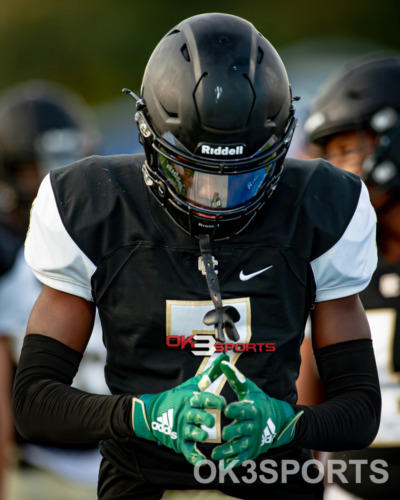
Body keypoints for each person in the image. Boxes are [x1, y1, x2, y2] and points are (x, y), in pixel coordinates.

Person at [12, 13, 381, 500]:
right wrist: (141, 416)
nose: (215, 196)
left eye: (242, 176)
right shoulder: (93, 205)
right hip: (143, 484)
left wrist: (284, 425)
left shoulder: (320, 206)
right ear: (149, 139)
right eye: (192, 173)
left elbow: (360, 411)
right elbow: (34, 403)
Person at [300, 54, 400, 499]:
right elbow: (300, 407)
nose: (337, 168)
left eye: (347, 148)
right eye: (328, 153)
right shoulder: (337, 263)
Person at [0, 79, 105, 500]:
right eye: (35, 170)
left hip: (131, 454)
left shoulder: (119, 235)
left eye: (66, 165)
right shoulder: (9, 261)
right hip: (43, 464)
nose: (54, 184)